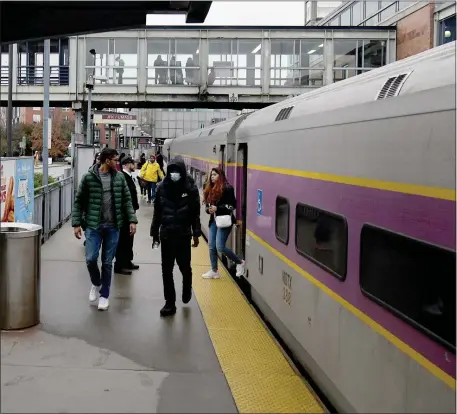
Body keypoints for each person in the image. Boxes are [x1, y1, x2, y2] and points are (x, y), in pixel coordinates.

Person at [72, 148, 138, 311]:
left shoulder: (120, 178)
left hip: (113, 227)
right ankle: (96, 282)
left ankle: (104, 295)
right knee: (91, 259)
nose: (118, 163)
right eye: (115, 160)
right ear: (107, 160)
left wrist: (132, 220)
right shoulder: (89, 178)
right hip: (94, 226)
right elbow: (79, 201)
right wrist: (76, 223)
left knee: (107, 263)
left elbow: (127, 200)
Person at [150, 157, 202, 317]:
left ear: (182, 172)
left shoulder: (191, 188)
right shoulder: (161, 188)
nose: (174, 174)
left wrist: (196, 233)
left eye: (177, 171)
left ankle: (187, 288)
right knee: (166, 270)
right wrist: (154, 234)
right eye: (171, 171)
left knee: (184, 267)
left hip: (183, 235)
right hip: (166, 234)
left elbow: (195, 213)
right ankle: (169, 303)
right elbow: (157, 213)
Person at [202, 167, 245, 279]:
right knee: (211, 246)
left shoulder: (228, 188)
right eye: (211, 175)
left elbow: (232, 206)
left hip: (225, 221)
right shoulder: (209, 189)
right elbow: (207, 206)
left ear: (220, 176)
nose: (212, 176)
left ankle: (239, 262)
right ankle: (214, 270)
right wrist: (209, 210)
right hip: (214, 221)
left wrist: (218, 208)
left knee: (220, 247)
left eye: (215, 174)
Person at [114, 157, 140, 275]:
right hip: (124, 214)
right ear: (126, 164)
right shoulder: (122, 177)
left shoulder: (129, 176)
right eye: (133, 163)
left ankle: (127, 261)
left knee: (129, 238)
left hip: (130, 213)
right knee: (123, 239)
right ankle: (119, 265)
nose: (134, 165)